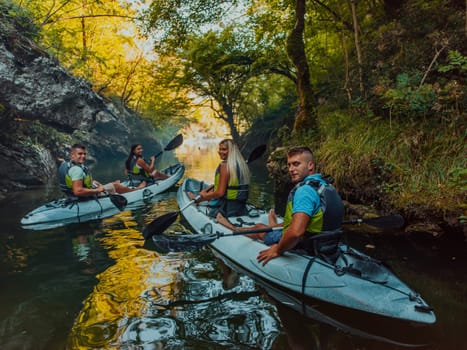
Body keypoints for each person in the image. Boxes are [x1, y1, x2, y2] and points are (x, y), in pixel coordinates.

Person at [188, 139, 250, 219]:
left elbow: (220, 193)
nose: (220, 152)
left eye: (224, 149)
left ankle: (197, 199)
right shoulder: (241, 165)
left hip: (227, 208)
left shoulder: (225, 166)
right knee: (211, 188)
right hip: (240, 206)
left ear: (231, 151)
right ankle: (199, 198)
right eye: (220, 149)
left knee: (208, 194)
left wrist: (205, 195)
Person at [58, 143, 145, 198]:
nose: (83, 156)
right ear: (72, 155)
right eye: (80, 154)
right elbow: (78, 191)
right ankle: (137, 190)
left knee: (111, 183)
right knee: (116, 186)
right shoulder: (77, 170)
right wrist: (98, 190)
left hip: (71, 196)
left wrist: (97, 185)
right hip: (87, 196)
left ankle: (115, 185)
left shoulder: (67, 165)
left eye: (84, 154)